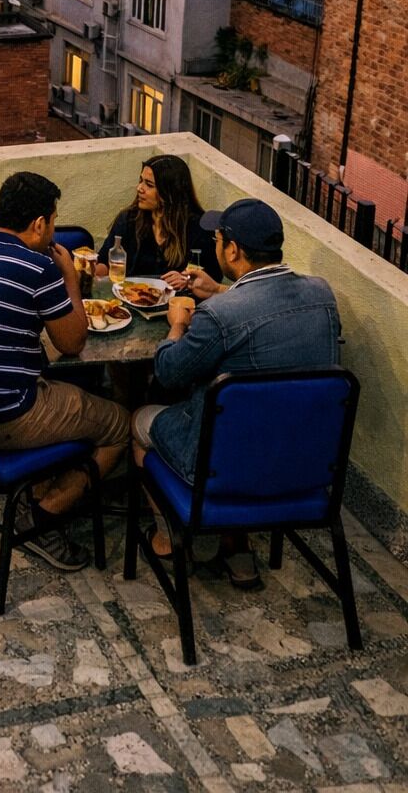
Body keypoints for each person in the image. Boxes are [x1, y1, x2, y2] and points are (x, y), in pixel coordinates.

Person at [131, 197, 341, 589]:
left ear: (232, 249)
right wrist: (222, 291)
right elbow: (267, 311)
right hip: (302, 464)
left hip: (225, 466)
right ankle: (236, 547)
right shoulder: (322, 295)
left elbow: (170, 372)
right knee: (249, 419)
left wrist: (176, 325)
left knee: (139, 420)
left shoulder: (218, 317)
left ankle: (166, 537)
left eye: (218, 238)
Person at [0, 171, 129, 571]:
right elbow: (72, 342)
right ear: (39, 224)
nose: (54, 230)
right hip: (7, 418)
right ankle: (43, 516)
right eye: (54, 221)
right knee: (121, 424)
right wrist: (70, 280)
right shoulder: (38, 269)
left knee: (63, 383)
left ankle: (45, 479)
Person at [97, 155, 222, 285]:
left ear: (169, 193)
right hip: (130, 296)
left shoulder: (197, 227)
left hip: (176, 301)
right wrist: (91, 269)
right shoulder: (129, 219)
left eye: (149, 185)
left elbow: (213, 277)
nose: (139, 188)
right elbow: (104, 262)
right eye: (141, 181)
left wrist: (187, 280)